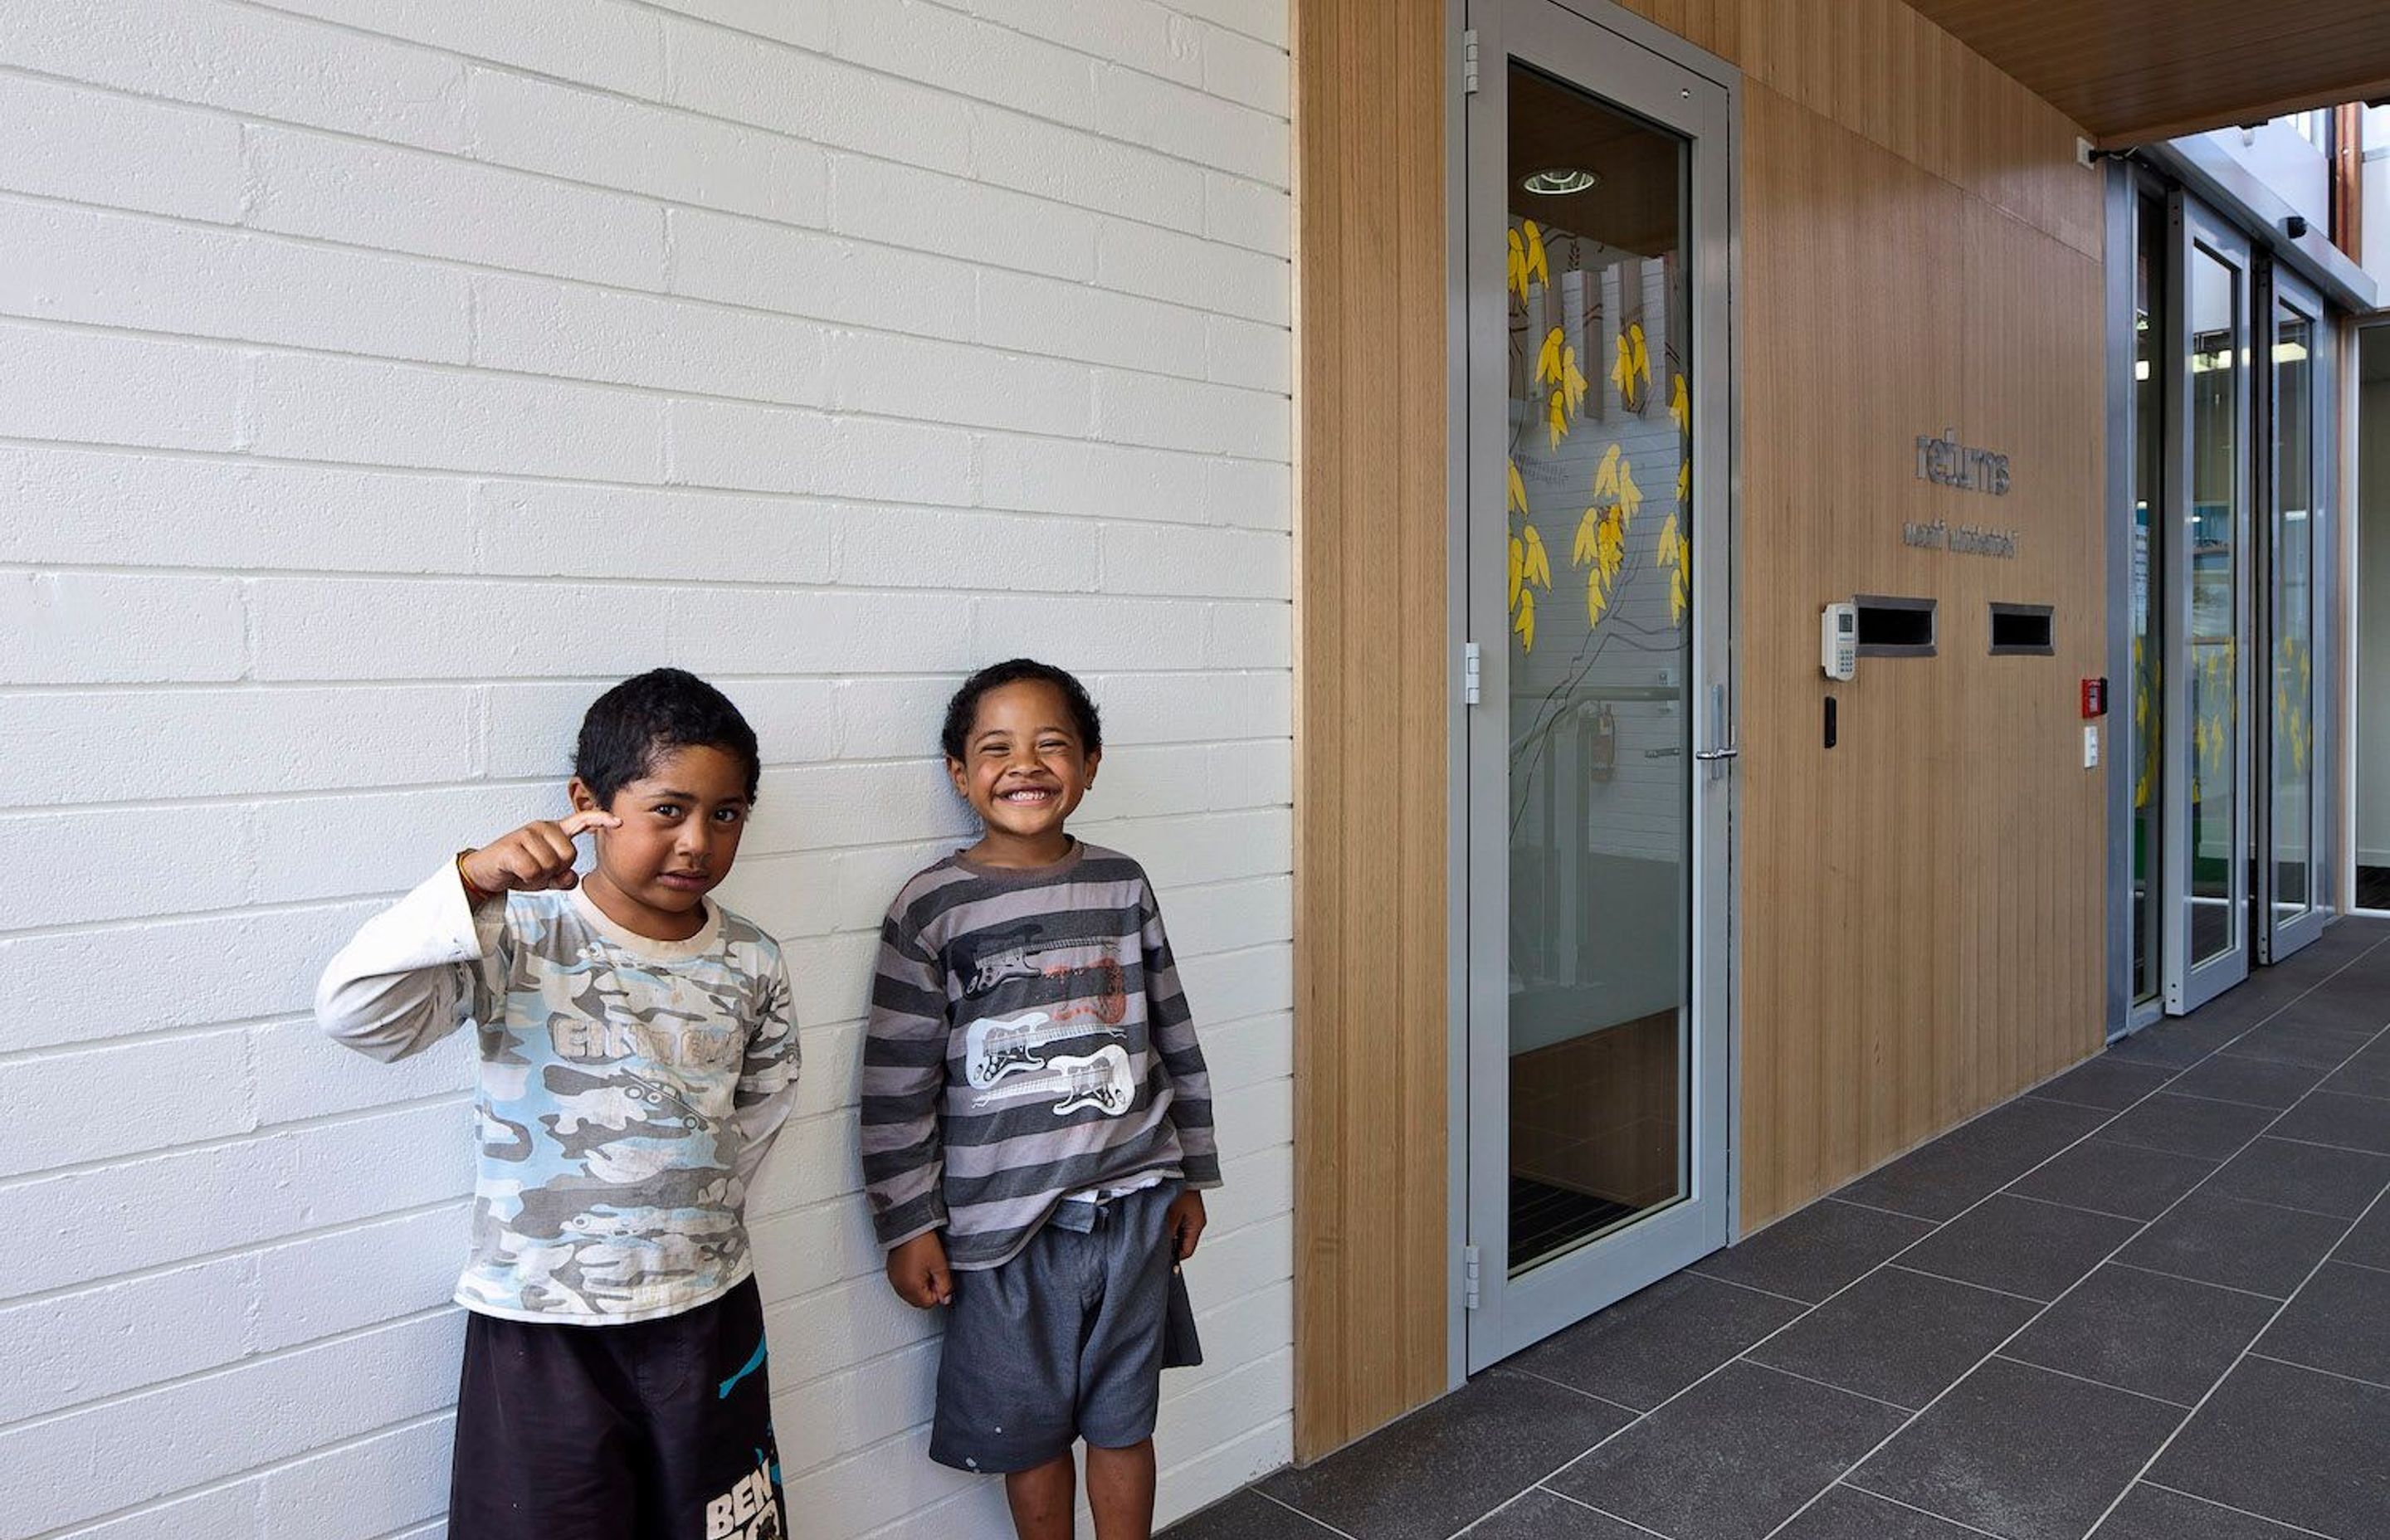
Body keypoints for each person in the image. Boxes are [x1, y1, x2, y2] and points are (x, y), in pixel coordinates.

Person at [315, 668, 797, 1540]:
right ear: (589, 802)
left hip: (707, 1308)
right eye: (668, 809)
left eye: (725, 814)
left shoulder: (753, 960)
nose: (696, 841)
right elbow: (356, 1016)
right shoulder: (518, 930)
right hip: (543, 1324)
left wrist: (680, 1222)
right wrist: (469, 879)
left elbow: (757, 1115)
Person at [862, 657, 1220, 1540]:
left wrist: (1190, 1173)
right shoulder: (931, 907)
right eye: (997, 748)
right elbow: (895, 1078)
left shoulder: (1122, 883)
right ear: (960, 773)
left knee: (1125, 1419)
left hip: (1134, 1210)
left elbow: (1173, 1033)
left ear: (1090, 763)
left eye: (1051, 744)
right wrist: (909, 1223)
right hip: (1000, 1230)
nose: (1025, 764)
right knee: (1030, 1436)